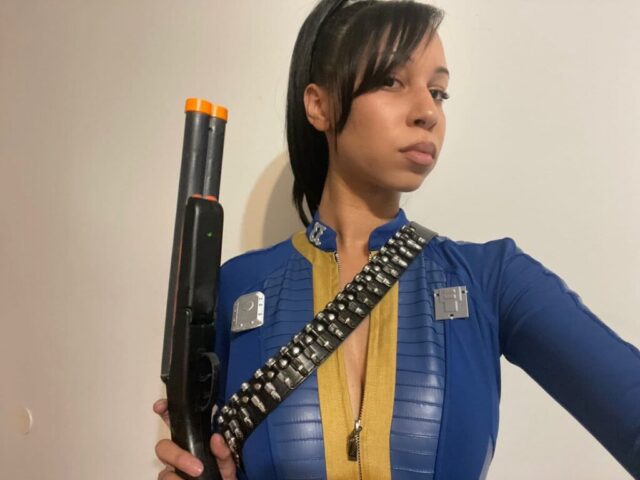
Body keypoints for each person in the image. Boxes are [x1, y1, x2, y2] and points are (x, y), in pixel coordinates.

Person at [154, 0, 640, 479]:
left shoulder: (492, 280)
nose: (428, 111)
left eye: (439, 92)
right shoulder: (236, 286)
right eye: (391, 80)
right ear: (320, 105)